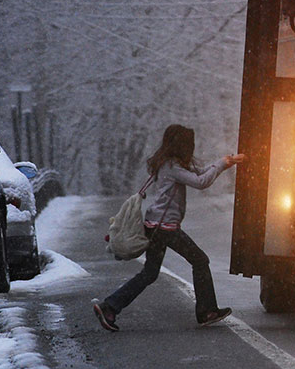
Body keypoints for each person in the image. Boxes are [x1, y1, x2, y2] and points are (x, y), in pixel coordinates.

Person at [93, 124, 246, 332]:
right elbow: (201, 182)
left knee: (149, 274)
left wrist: (225, 162)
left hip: (156, 225)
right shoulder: (172, 167)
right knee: (200, 260)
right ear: (181, 146)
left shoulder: (169, 164)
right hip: (165, 228)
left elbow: (200, 172)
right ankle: (207, 311)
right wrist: (220, 164)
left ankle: (110, 307)